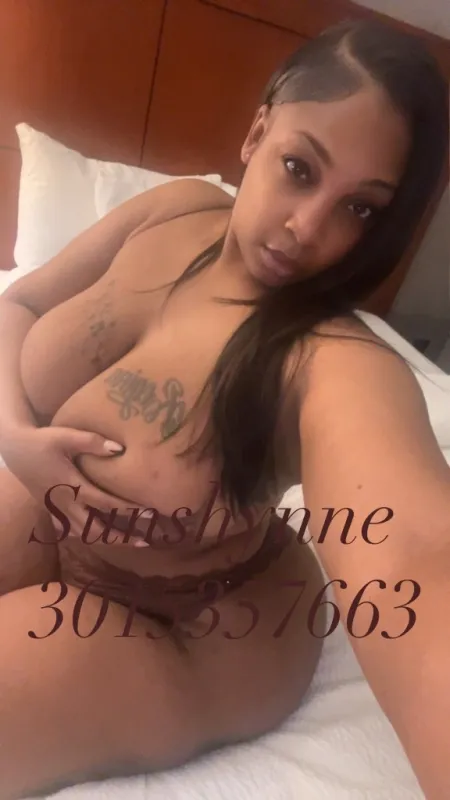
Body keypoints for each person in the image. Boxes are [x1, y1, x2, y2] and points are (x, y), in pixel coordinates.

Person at [0, 17, 449, 800]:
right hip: (40, 501)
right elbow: (20, 302)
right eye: (300, 169)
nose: (308, 229)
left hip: (186, 620)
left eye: (361, 210)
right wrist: (12, 435)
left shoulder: (331, 361)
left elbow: (419, 560)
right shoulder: (172, 211)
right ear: (257, 132)